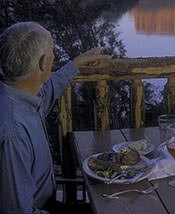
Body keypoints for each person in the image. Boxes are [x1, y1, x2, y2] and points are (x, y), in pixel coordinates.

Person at [0, 22, 111, 214]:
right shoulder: (13, 131)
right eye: (52, 51)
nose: (54, 57)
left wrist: (77, 63)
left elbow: (50, 88)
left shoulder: (21, 95)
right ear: (43, 64)